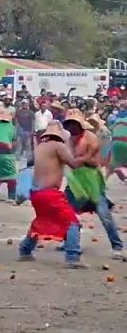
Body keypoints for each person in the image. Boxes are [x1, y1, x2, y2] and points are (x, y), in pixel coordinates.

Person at [18, 122, 89, 267]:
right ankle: (72, 256)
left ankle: (25, 250)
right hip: (50, 193)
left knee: (41, 220)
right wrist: (88, 155)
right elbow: (74, 164)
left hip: (36, 193)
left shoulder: (40, 146)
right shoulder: (58, 146)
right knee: (72, 222)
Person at [62, 109, 124, 260]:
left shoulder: (90, 138)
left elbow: (97, 162)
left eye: (74, 124)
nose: (71, 127)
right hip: (76, 181)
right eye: (69, 124)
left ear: (80, 124)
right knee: (66, 211)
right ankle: (70, 242)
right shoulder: (70, 140)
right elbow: (70, 161)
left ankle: (117, 246)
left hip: (91, 180)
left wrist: (83, 159)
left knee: (104, 214)